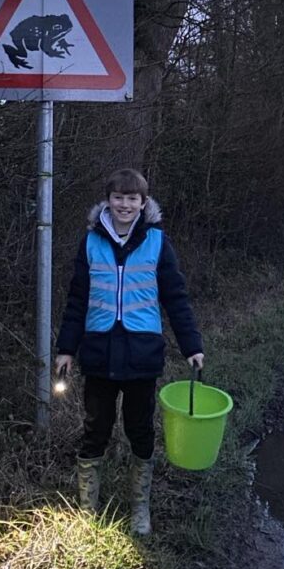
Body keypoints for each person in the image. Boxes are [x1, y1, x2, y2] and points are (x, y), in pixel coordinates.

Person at [54, 168, 204, 536]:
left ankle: (140, 509)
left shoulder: (157, 242)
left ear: (143, 203)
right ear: (108, 200)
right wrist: (66, 349)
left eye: (132, 198)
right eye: (118, 197)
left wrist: (192, 347)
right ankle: (88, 509)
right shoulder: (90, 243)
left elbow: (176, 298)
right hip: (100, 355)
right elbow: (77, 300)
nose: (124, 205)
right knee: (95, 430)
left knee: (140, 431)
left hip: (142, 356)